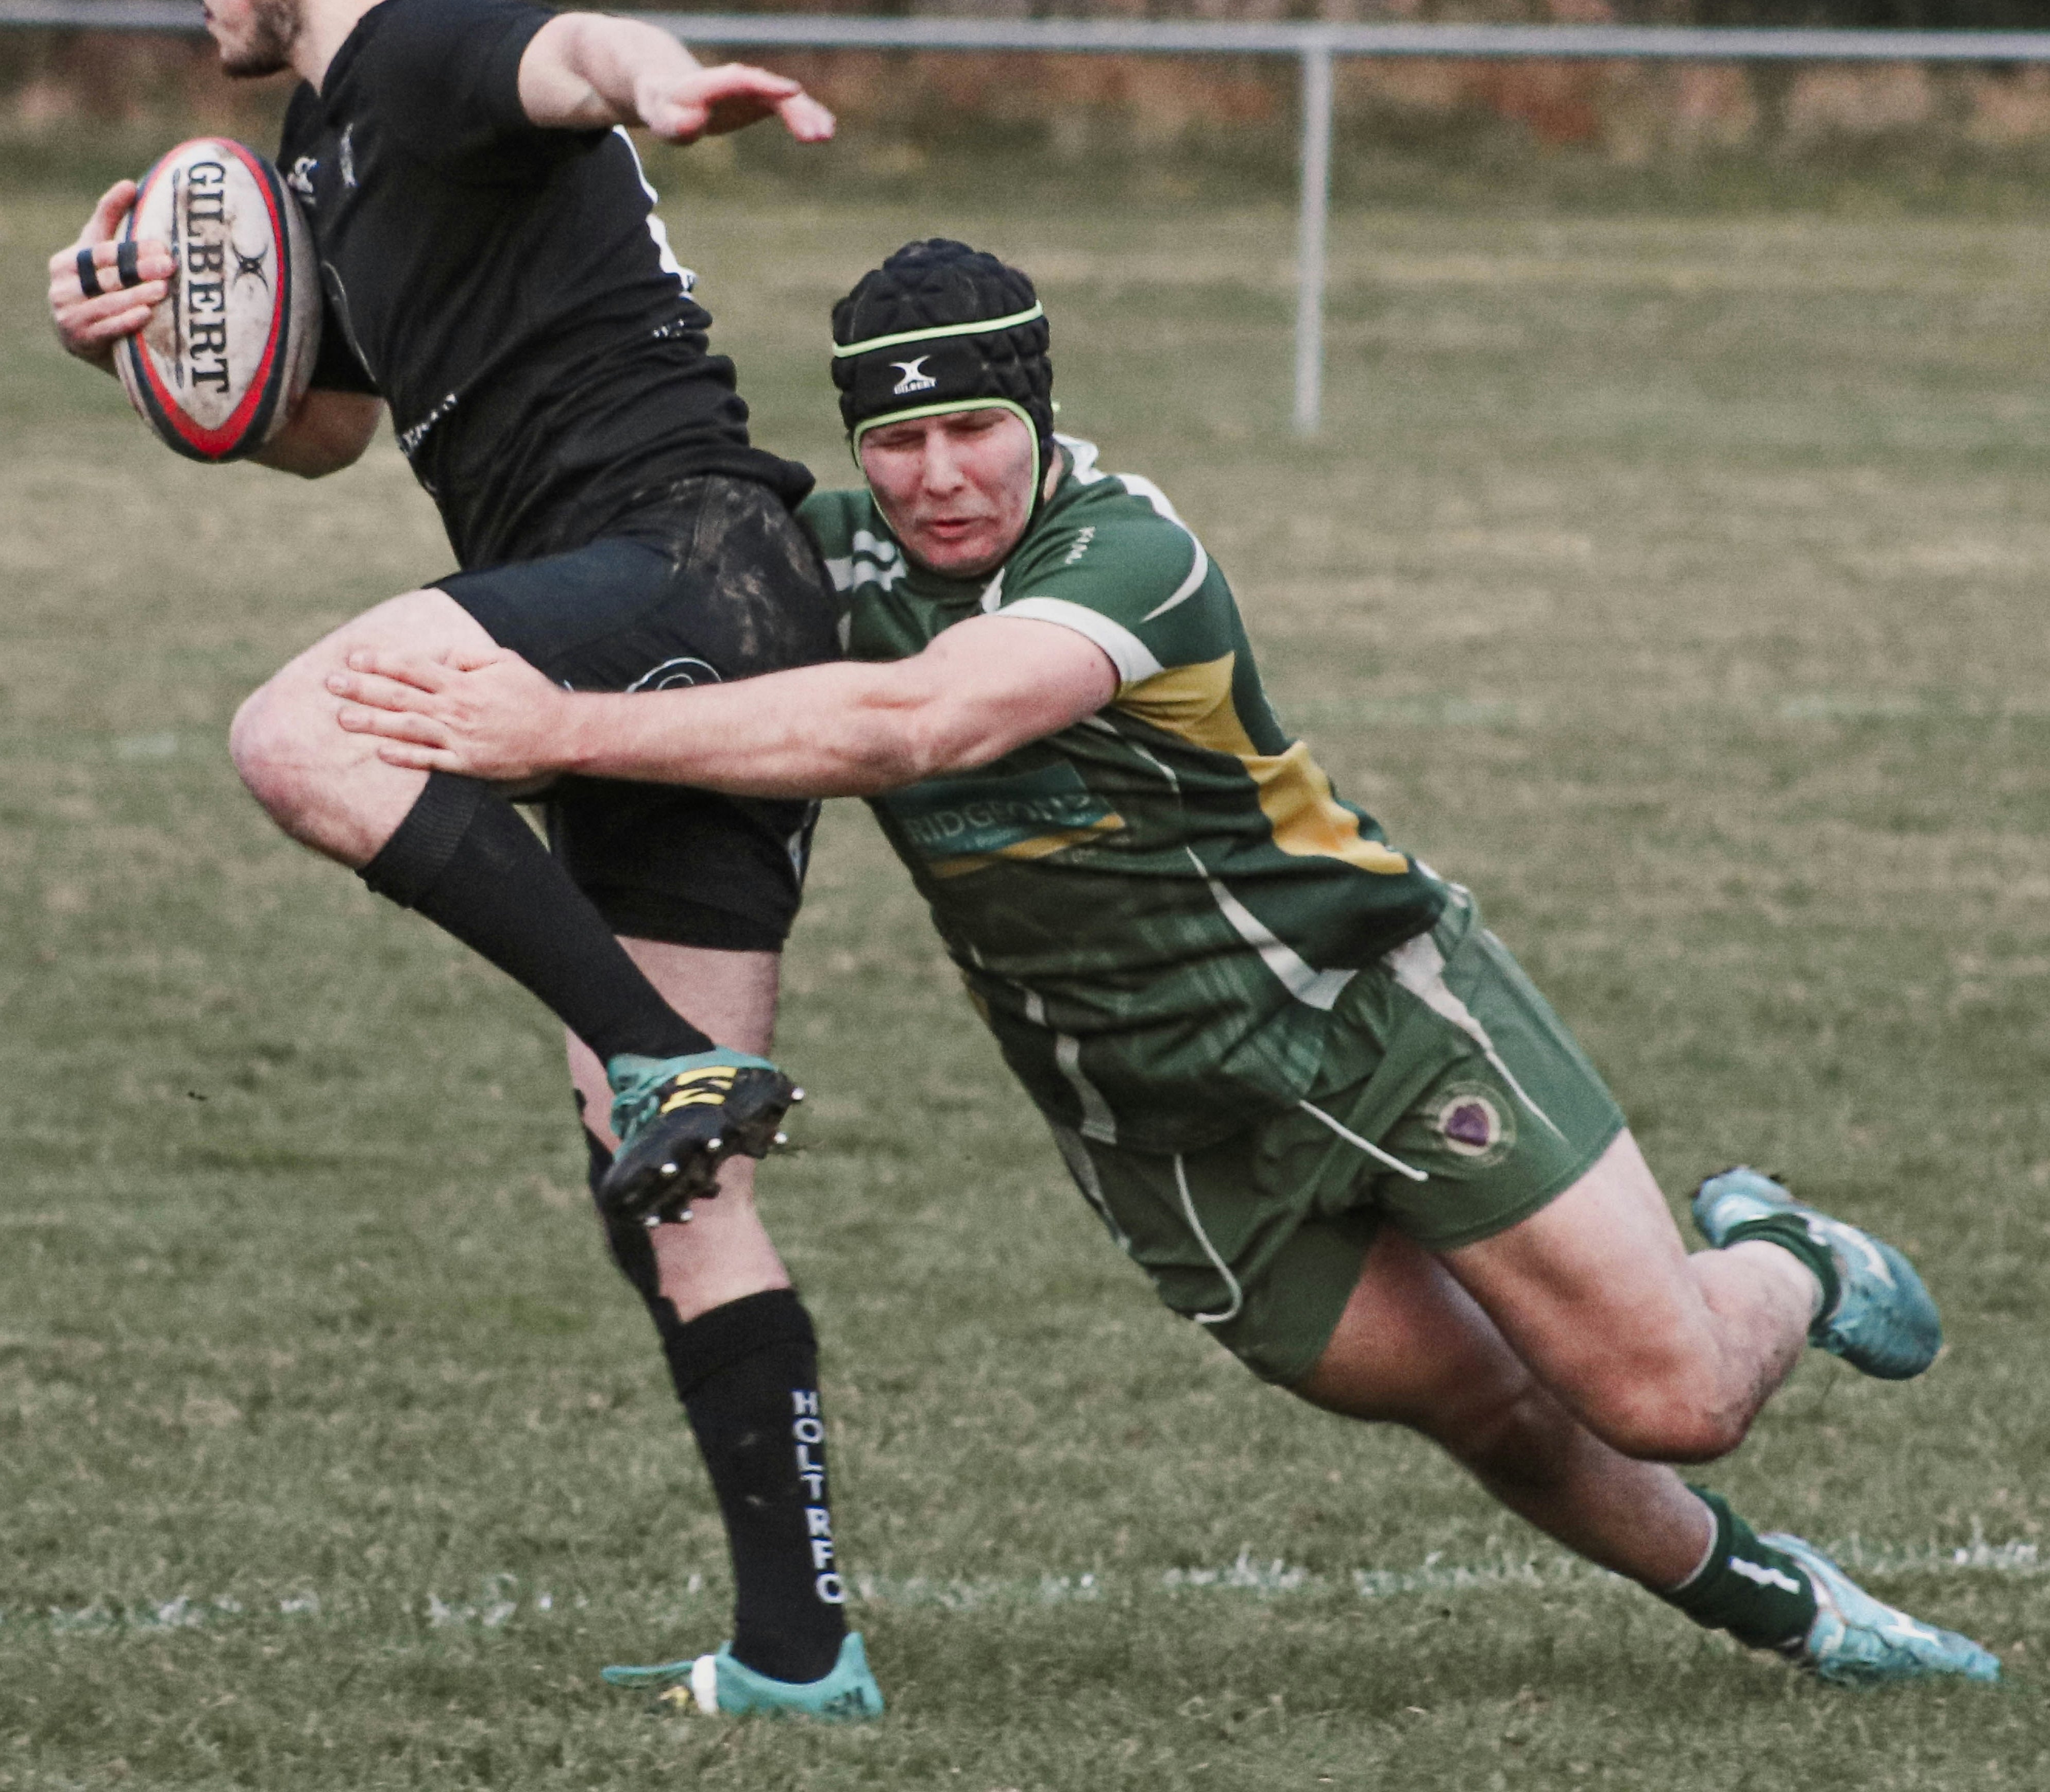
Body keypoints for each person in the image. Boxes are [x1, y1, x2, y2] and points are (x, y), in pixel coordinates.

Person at [331, 236, 2001, 1711]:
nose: (937, 476)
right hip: (1158, 1136)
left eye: (974, 427)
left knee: (1670, 1398)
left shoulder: (1127, 556)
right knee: (1492, 1414)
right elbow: (672, 610)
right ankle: (1796, 1613)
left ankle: (1784, 1251)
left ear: (1038, 415)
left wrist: (558, 728)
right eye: (896, 441)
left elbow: (923, 721)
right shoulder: (824, 564)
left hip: (1368, 1023)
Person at [46, 0, 878, 1719]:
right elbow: (324, 427)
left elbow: (569, 54)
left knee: (299, 734)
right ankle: (801, 1653)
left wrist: (662, 79)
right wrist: (148, 343)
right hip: (674, 604)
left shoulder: (421, 48)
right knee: (669, 1188)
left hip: (677, 568)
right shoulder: (334, 141)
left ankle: (665, 1055)